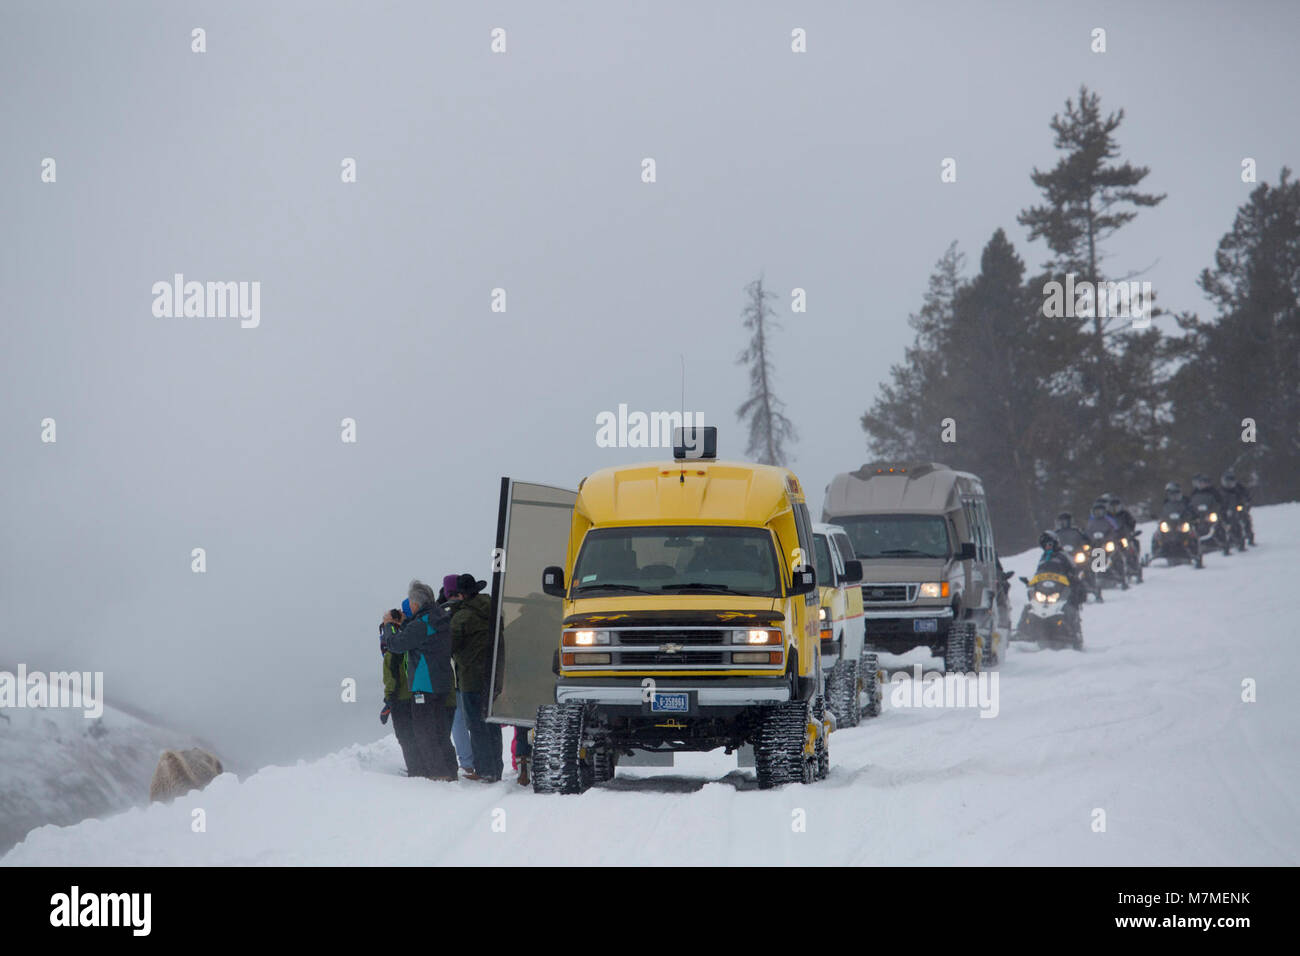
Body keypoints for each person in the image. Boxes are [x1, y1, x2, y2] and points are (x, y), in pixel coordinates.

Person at [383, 579, 458, 781]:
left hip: (424, 685)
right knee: (440, 732)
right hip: (442, 684)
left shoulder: (422, 624)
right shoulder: (439, 618)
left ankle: (438, 775)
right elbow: (419, 634)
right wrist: (405, 623)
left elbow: (396, 644)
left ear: (415, 604)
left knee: (424, 733)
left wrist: (388, 626)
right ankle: (450, 772)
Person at [445, 572, 504, 782]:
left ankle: (485, 770)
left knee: (477, 726)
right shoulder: (493, 608)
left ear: (461, 595)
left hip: (470, 678)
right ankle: (496, 767)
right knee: (492, 723)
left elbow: (449, 646)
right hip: (493, 676)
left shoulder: (463, 617)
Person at [379, 606, 421, 776]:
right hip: (417, 694)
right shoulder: (411, 640)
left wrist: (388, 700)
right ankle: (421, 766)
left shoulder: (393, 648)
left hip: (401, 697)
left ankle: (416, 769)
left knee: (405, 735)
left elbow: (391, 678)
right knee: (417, 732)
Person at [1221, 470, 1255, 544]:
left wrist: (1246, 502)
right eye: (1226, 482)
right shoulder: (1221, 490)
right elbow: (1217, 499)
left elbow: (1247, 495)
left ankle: (1249, 533)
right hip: (1227, 508)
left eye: (1230, 482)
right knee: (1222, 520)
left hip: (1238, 506)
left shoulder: (1239, 488)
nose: (1228, 484)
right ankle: (1224, 537)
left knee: (1245, 517)